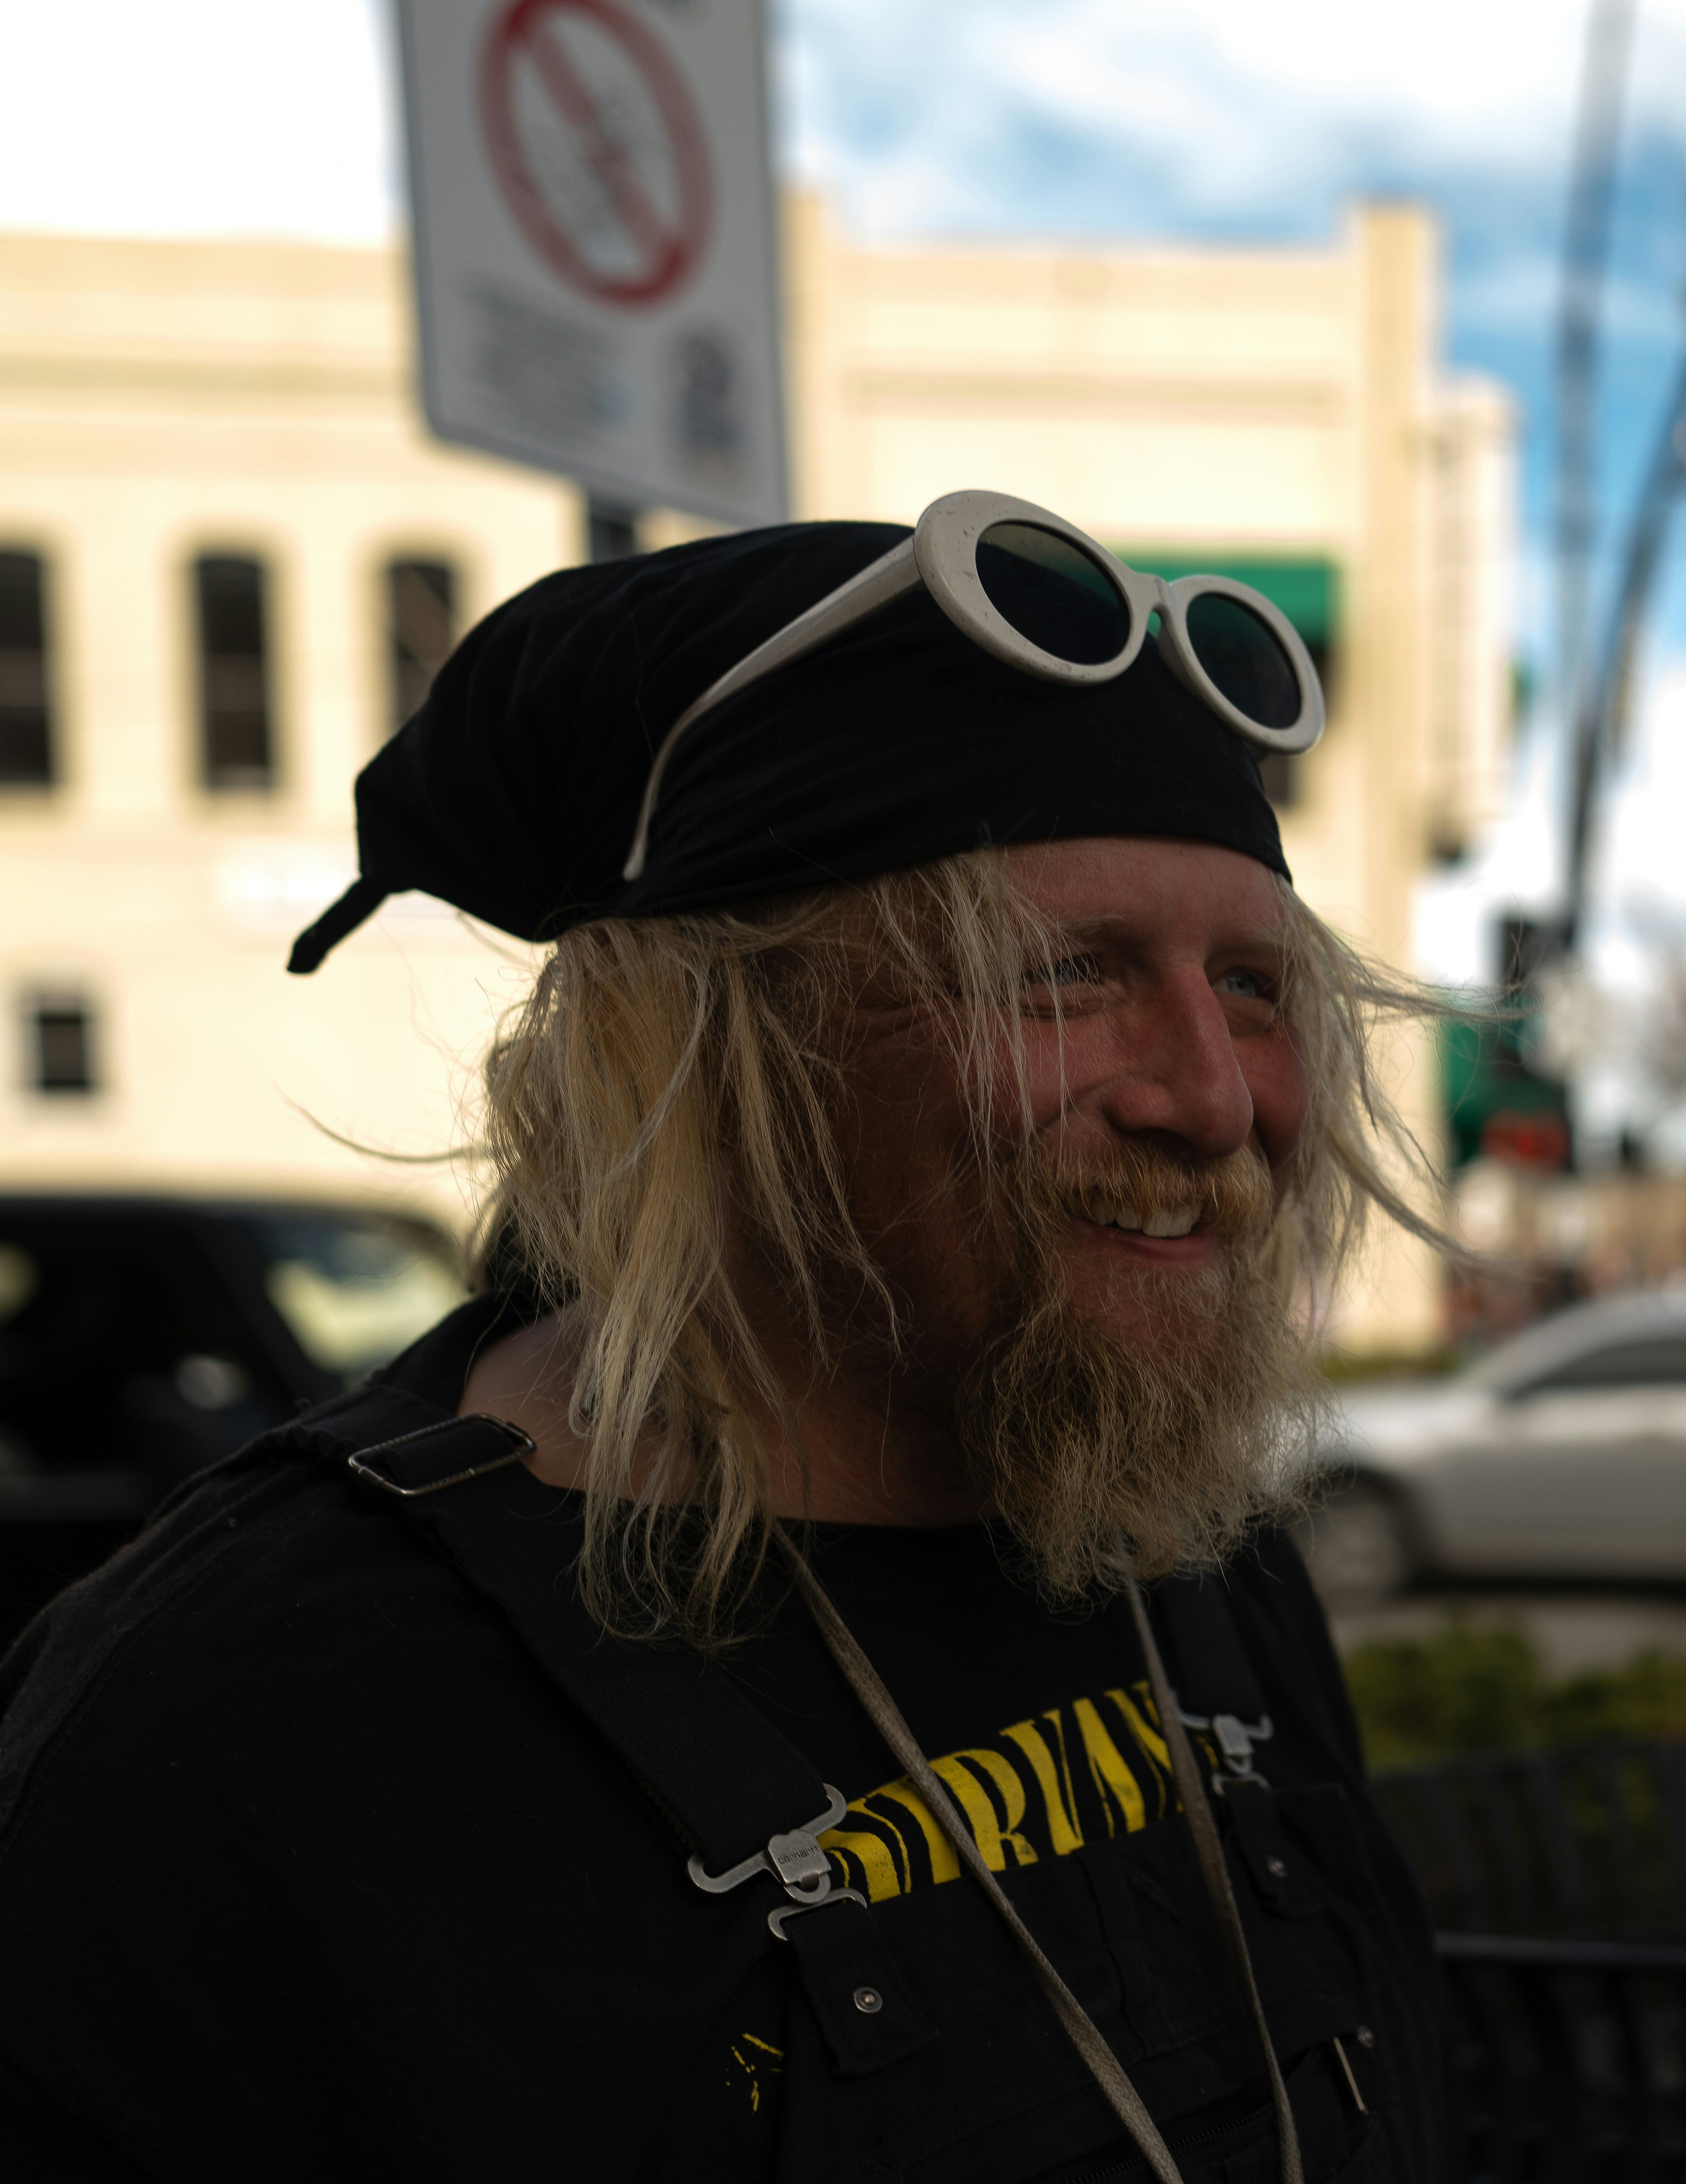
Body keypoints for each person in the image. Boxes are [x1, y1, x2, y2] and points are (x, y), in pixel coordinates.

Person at [0, 496, 1444, 2182]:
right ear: (717, 1052)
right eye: (1065, 974)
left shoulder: (1192, 1550)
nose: (1211, 1096)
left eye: (1256, 990)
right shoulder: (252, 1716)